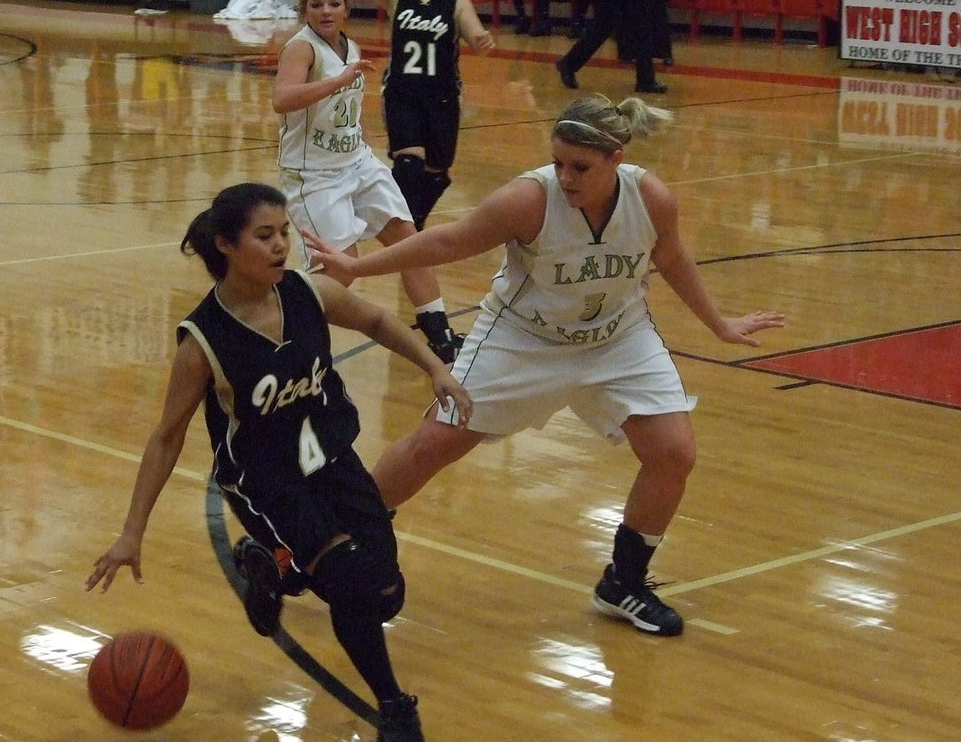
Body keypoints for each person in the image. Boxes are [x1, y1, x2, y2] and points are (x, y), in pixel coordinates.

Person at [305, 95, 786, 637]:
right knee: (430, 446)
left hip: (616, 339)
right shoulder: (528, 200)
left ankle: (623, 584)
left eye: (580, 166)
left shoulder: (651, 198)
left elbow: (670, 258)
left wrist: (719, 323)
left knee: (674, 453)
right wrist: (358, 265)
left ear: (616, 159)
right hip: (522, 339)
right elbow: (450, 239)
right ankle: (322, 545)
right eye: (558, 162)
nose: (566, 176)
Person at [84, 182, 472, 742]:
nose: (279, 246)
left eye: (284, 233)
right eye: (263, 236)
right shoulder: (203, 342)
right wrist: (130, 532)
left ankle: (274, 567)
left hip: (332, 459)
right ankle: (393, 705)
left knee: (387, 593)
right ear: (226, 245)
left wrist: (435, 368)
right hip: (267, 483)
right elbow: (166, 438)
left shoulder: (308, 294)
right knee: (351, 585)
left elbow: (378, 321)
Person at [273, 0, 469, 363]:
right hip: (315, 175)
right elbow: (282, 99)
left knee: (408, 242)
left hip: (356, 162)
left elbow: (347, 105)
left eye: (334, 4)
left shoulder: (350, 46)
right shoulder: (302, 47)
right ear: (304, 10)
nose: (326, 11)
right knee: (342, 270)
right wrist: (336, 82)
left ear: (347, 7)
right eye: (316, 5)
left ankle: (441, 336)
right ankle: (285, 338)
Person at [346, 0, 496, 235]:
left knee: (437, 174)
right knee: (409, 165)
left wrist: (481, 39)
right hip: (403, 93)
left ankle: (412, 227)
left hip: (442, 98)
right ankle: (403, 236)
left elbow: (475, 34)